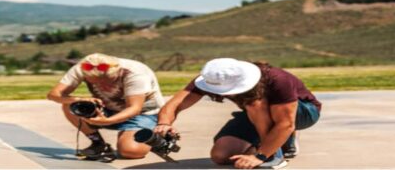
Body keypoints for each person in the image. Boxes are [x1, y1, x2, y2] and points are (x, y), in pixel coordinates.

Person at [155, 58, 322, 169]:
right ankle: (276, 141)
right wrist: (164, 123)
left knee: (255, 104)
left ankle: (275, 155)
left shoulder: (277, 79)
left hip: (303, 112)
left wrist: (260, 156)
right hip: (257, 115)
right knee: (221, 155)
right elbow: (175, 104)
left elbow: (286, 123)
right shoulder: (212, 77)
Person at [47, 53, 165, 161]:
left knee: (130, 151)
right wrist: (79, 99)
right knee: (70, 105)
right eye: (95, 82)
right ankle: (98, 144)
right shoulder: (83, 68)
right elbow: (53, 95)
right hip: (109, 109)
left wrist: (107, 121)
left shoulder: (134, 72)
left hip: (143, 113)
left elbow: (135, 108)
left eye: (107, 80)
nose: (102, 85)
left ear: (116, 72)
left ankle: (158, 134)